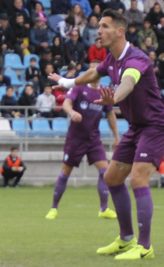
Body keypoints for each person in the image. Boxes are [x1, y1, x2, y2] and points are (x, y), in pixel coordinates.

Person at [48, 9, 164, 260]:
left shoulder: (136, 59)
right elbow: (94, 73)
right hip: (137, 127)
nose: (99, 30)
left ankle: (145, 247)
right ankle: (126, 240)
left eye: (104, 26)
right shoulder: (111, 58)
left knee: (138, 179)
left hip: (156, 126)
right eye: (99, 26)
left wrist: (114, 97)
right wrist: (67, 82)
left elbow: (128, 82)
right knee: (112, 178)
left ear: (119, 31)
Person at [46, 65, 120, 220]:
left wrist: (117, 137)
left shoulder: (104, 91)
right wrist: (72, 112)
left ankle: (104, 209)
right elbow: (66, 103)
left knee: (104, 172)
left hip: (93, 139)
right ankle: (54, 208)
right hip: (75, 139)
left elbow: (111, 114)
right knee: (65, 172)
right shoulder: (79, 88)